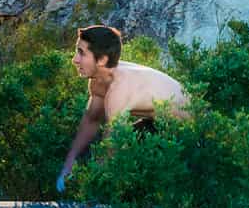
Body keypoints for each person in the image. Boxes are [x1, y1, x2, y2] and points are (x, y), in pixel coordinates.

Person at [56, 24, 188, 198]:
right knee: (127, 142)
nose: (75, 60)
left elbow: (112, 146)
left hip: (189, 130)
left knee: (122, 151)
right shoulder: (99, 80)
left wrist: (91, 200)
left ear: (102, 60)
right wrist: (69, 162)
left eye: (82, 53)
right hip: (157, 123)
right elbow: (92, 119)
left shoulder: (119, 89)